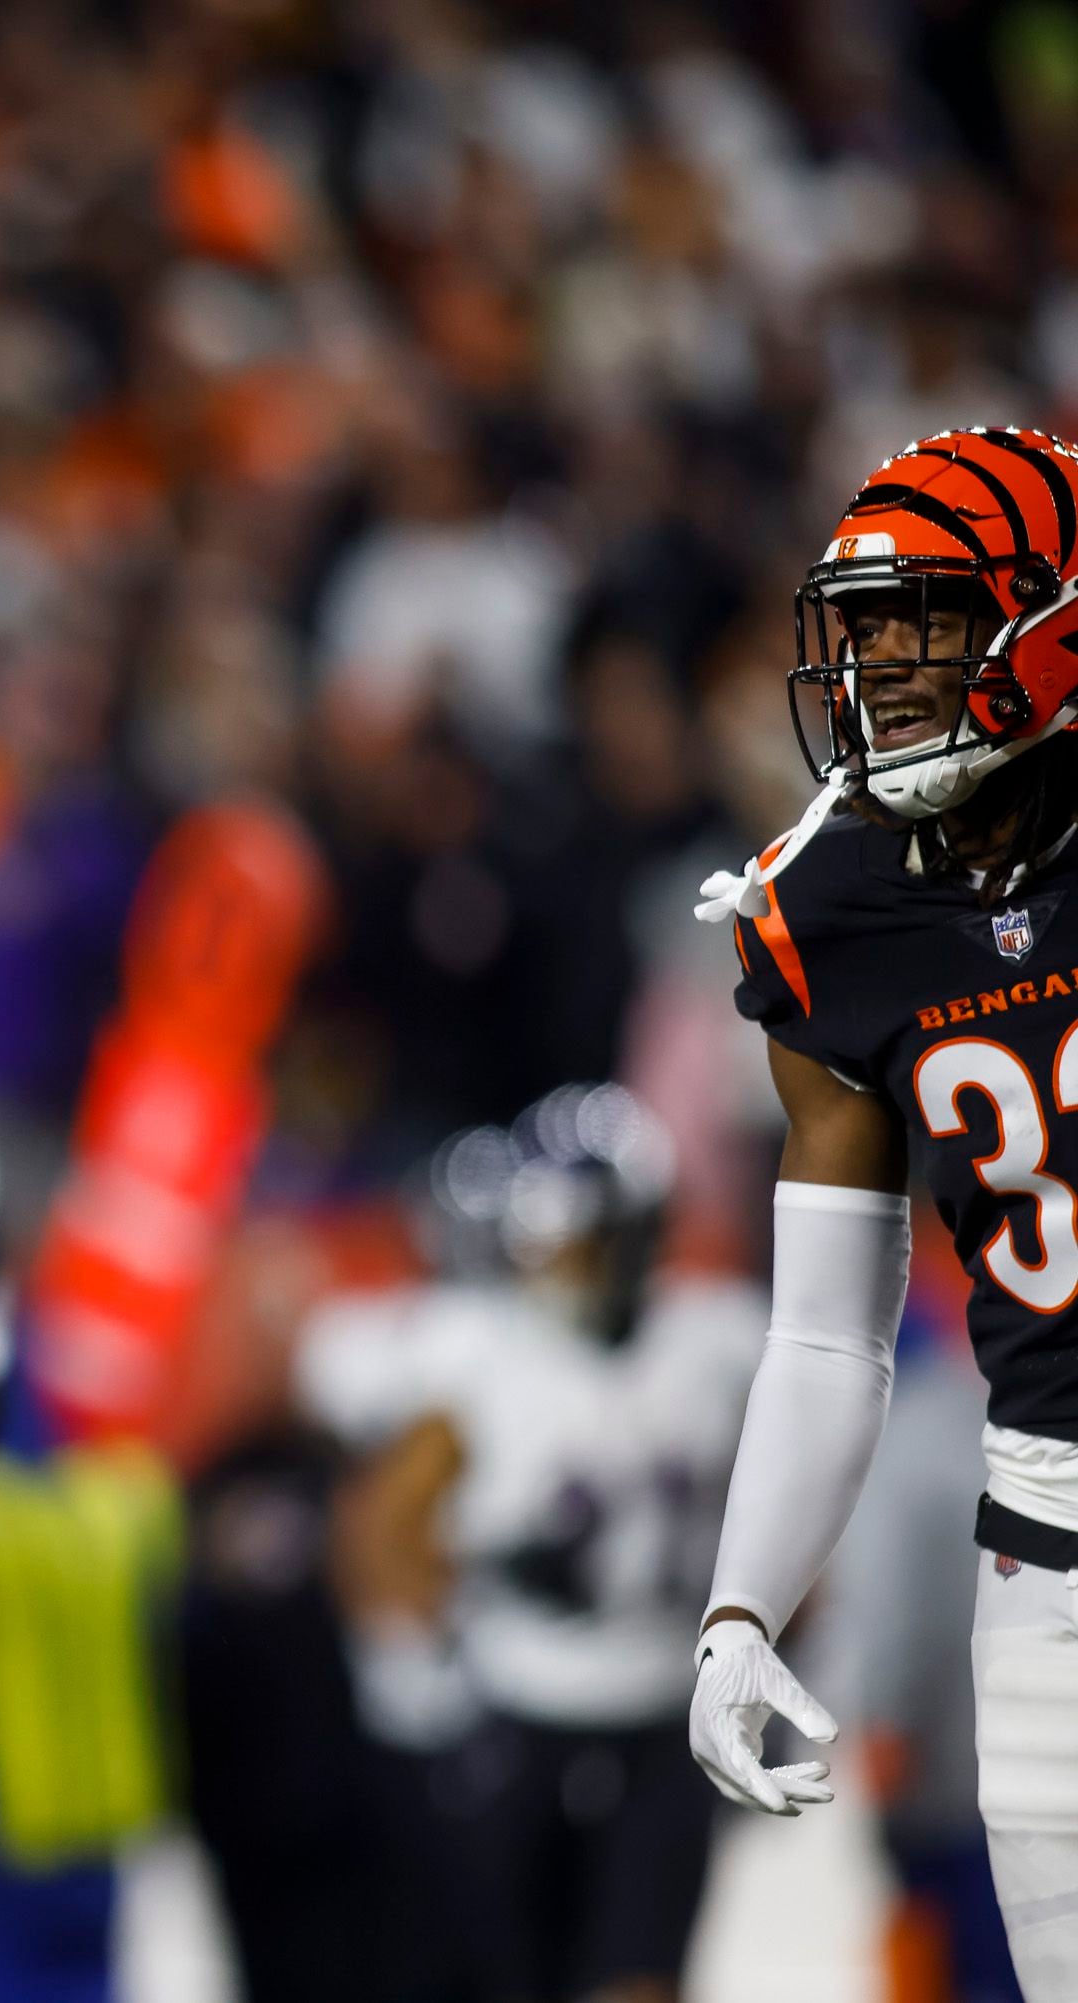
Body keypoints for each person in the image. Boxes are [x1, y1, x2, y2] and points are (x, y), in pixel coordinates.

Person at [685, 424, 1078, 1994]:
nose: (883, 666)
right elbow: (828, 1332)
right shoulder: (828, 908)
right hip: (1051, 1544)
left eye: (927, 617)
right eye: (861, 628)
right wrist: (740, 1601)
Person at [301, 1085, 761, 2003]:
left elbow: (788, 1526)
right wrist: (413, 1672)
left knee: (643, 1981)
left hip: (664, 1716)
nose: (559, 1270)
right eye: (548, 1247)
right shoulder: (483, 1353)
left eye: (581, 1246)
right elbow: (378, 1525)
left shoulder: (719, 1345)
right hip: (522, 1708)